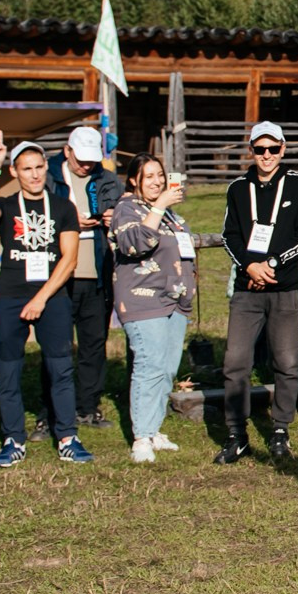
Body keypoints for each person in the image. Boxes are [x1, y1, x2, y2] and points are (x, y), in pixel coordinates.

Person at [0, 134, 91, 468]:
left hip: (51, 297)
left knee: (60, 368)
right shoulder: (8, 205)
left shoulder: (63, 206)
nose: (35, 174)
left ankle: (67, 437)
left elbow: (69, 260)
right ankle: (13, 439)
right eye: (27, 169)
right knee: (9, 370)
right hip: (9, 297)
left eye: (39, 167)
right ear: (15, 172)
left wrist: (41, 299)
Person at [219, 120, 298, 464]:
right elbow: (229, 235)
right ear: (251, 151)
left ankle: (280, 429)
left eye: (273, 148)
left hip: (285, 287)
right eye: (260, 149)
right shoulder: (237, 188)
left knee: (287, 362)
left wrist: (272, 263)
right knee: (235, 362)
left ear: (283, 149)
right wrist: (250, 266)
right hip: (247, 289)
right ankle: (236, 433)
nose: (266, 155)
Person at [111, 153, 195, 464]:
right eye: (149, 176)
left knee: (167, 368)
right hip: (143, 300)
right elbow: (135, 243)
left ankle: (154, 427)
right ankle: (141, 437)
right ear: (134, 180)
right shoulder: (126, 209)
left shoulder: (169, 214)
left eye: (160, 175)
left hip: (174, 300)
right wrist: (159, 206)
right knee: (149, 365)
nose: (157, 181)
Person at [49, 126, 123, 432]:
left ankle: (88, 406)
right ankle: (52, 409)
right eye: (80, 160)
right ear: (67, 151)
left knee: (94, 343)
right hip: (59, 274)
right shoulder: (50, 177)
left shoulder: (108, 180)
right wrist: (69, 221)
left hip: (96, 273)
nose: (85, 166)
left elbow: (124, 216)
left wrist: (113, 217)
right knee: (57, 345)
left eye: (91, 160)